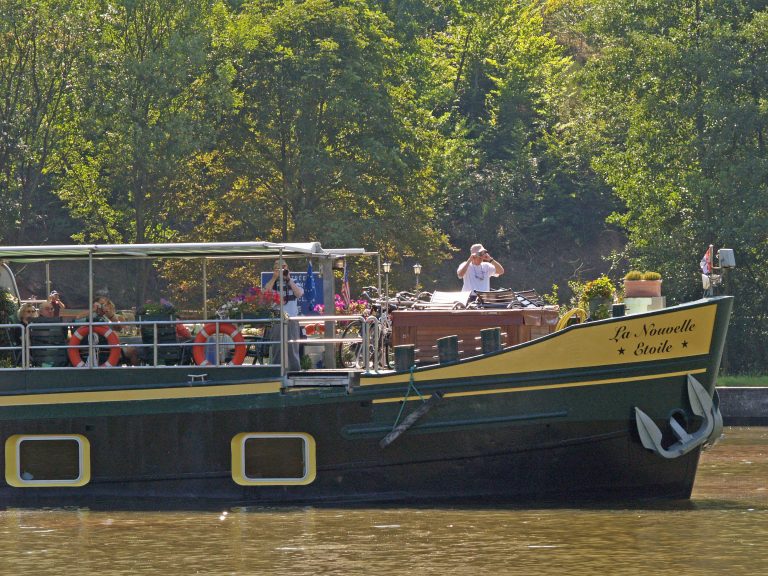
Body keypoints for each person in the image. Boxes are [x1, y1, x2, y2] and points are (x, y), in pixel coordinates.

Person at [263, 260, 304, 372]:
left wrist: (289, 279)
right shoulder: (272, 282)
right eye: (278, 267)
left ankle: (295, 371)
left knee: (292, 347)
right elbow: (265, 293)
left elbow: (299, 293)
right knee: (277, 347)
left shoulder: (294, 281)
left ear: (287, 267)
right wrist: (274, 277)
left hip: (291, 319)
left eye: (283, 266)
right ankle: (276, 370)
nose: (281, 269)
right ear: (274, 269)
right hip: (277, 319)